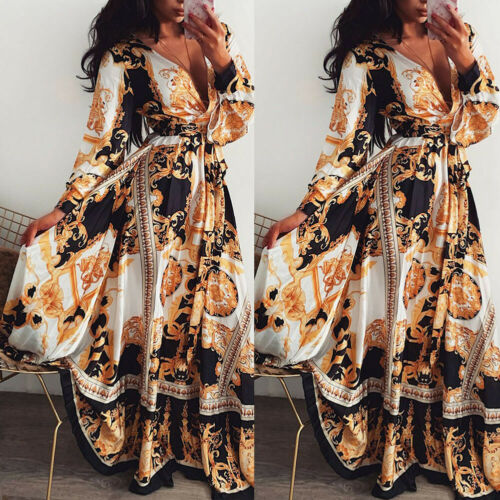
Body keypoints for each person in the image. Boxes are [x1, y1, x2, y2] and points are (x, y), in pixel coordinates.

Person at [0, 0, 254, 498]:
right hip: (154, 204)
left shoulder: (219, 37)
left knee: (221, 315)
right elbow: (102, 145)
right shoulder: (124, 56)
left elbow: (235, 123)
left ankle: (198, 440)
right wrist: (65, 209)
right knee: (158, 317)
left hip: (211, 202)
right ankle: (152, 446)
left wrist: (223, 61)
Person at [254, 0, 499, 498]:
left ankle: (450, 445)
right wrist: (307, 211)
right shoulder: (367, 57)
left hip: (453, 206)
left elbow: (478, 126)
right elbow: (346, 146)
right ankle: (396, 450)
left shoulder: (462, 39)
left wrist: (465, 59)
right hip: (397, 209)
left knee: (462, 319)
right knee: (403, 322)